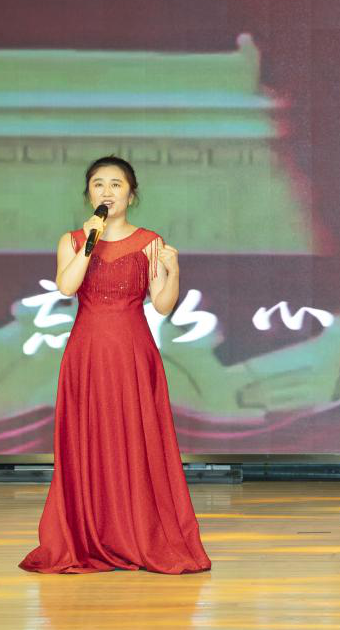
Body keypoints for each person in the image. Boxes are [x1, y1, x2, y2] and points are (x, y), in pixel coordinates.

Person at [20, 155, 211, 574]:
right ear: (88, 193)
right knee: (89, 440)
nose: (107, 192)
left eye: (116, 184)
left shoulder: (150, 242)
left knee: (136, 441)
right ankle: (92, 534)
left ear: (131, 194)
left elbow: (162, 305)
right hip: (87, 352)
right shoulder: (73, 240)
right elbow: (67, 286)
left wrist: (174, 272)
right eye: (98, 184)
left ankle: (138, 533)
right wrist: (91, 240)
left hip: (132, 351)